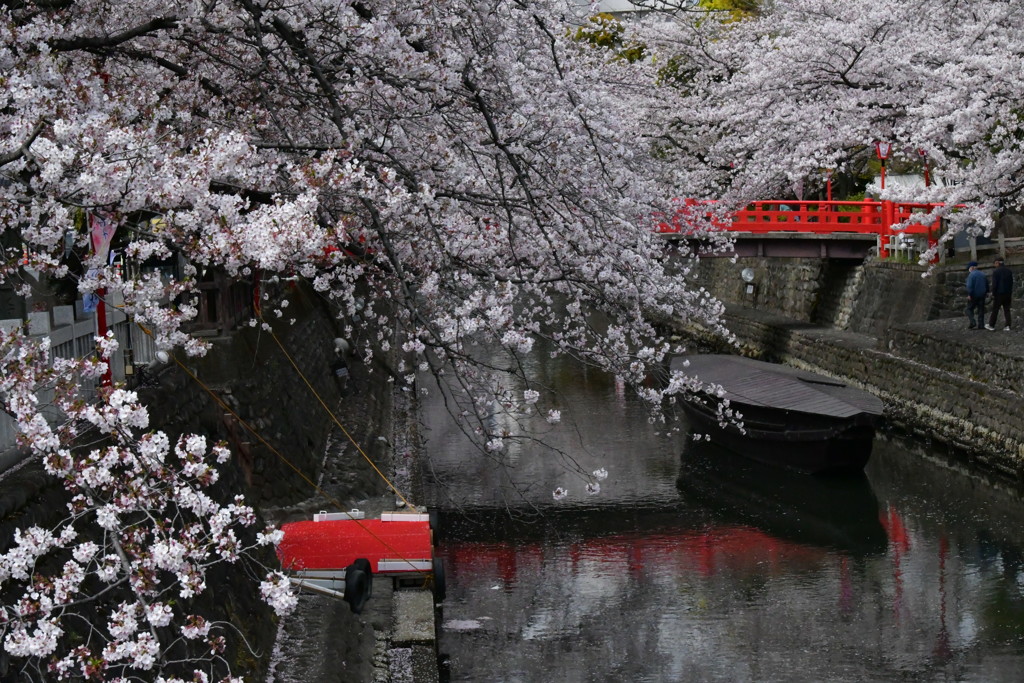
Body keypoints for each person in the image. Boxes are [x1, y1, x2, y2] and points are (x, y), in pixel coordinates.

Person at [986, 257, 1013, 331]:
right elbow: (1011, 283)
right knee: (1007, 309)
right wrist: (1010, 292)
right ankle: (1007, 326)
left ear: (997, 262)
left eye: (995, 263)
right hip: (1007, 293)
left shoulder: (996, 272)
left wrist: (993, 293)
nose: (994, 265)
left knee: (995, 309)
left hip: (999, 294)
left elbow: (995, 284)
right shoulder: (1009, 271)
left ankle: (991, 325)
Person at [965, 261, 988, 330]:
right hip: (982, 294)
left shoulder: (971, 275)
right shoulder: (982, 274)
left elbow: (969, 286)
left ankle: (972, 322)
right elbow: (986, 284)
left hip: (974, 295)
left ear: (971, 268)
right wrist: (986, 292)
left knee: (968, 309)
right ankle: (981, 324)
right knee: (981, 310)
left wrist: (969, 294)